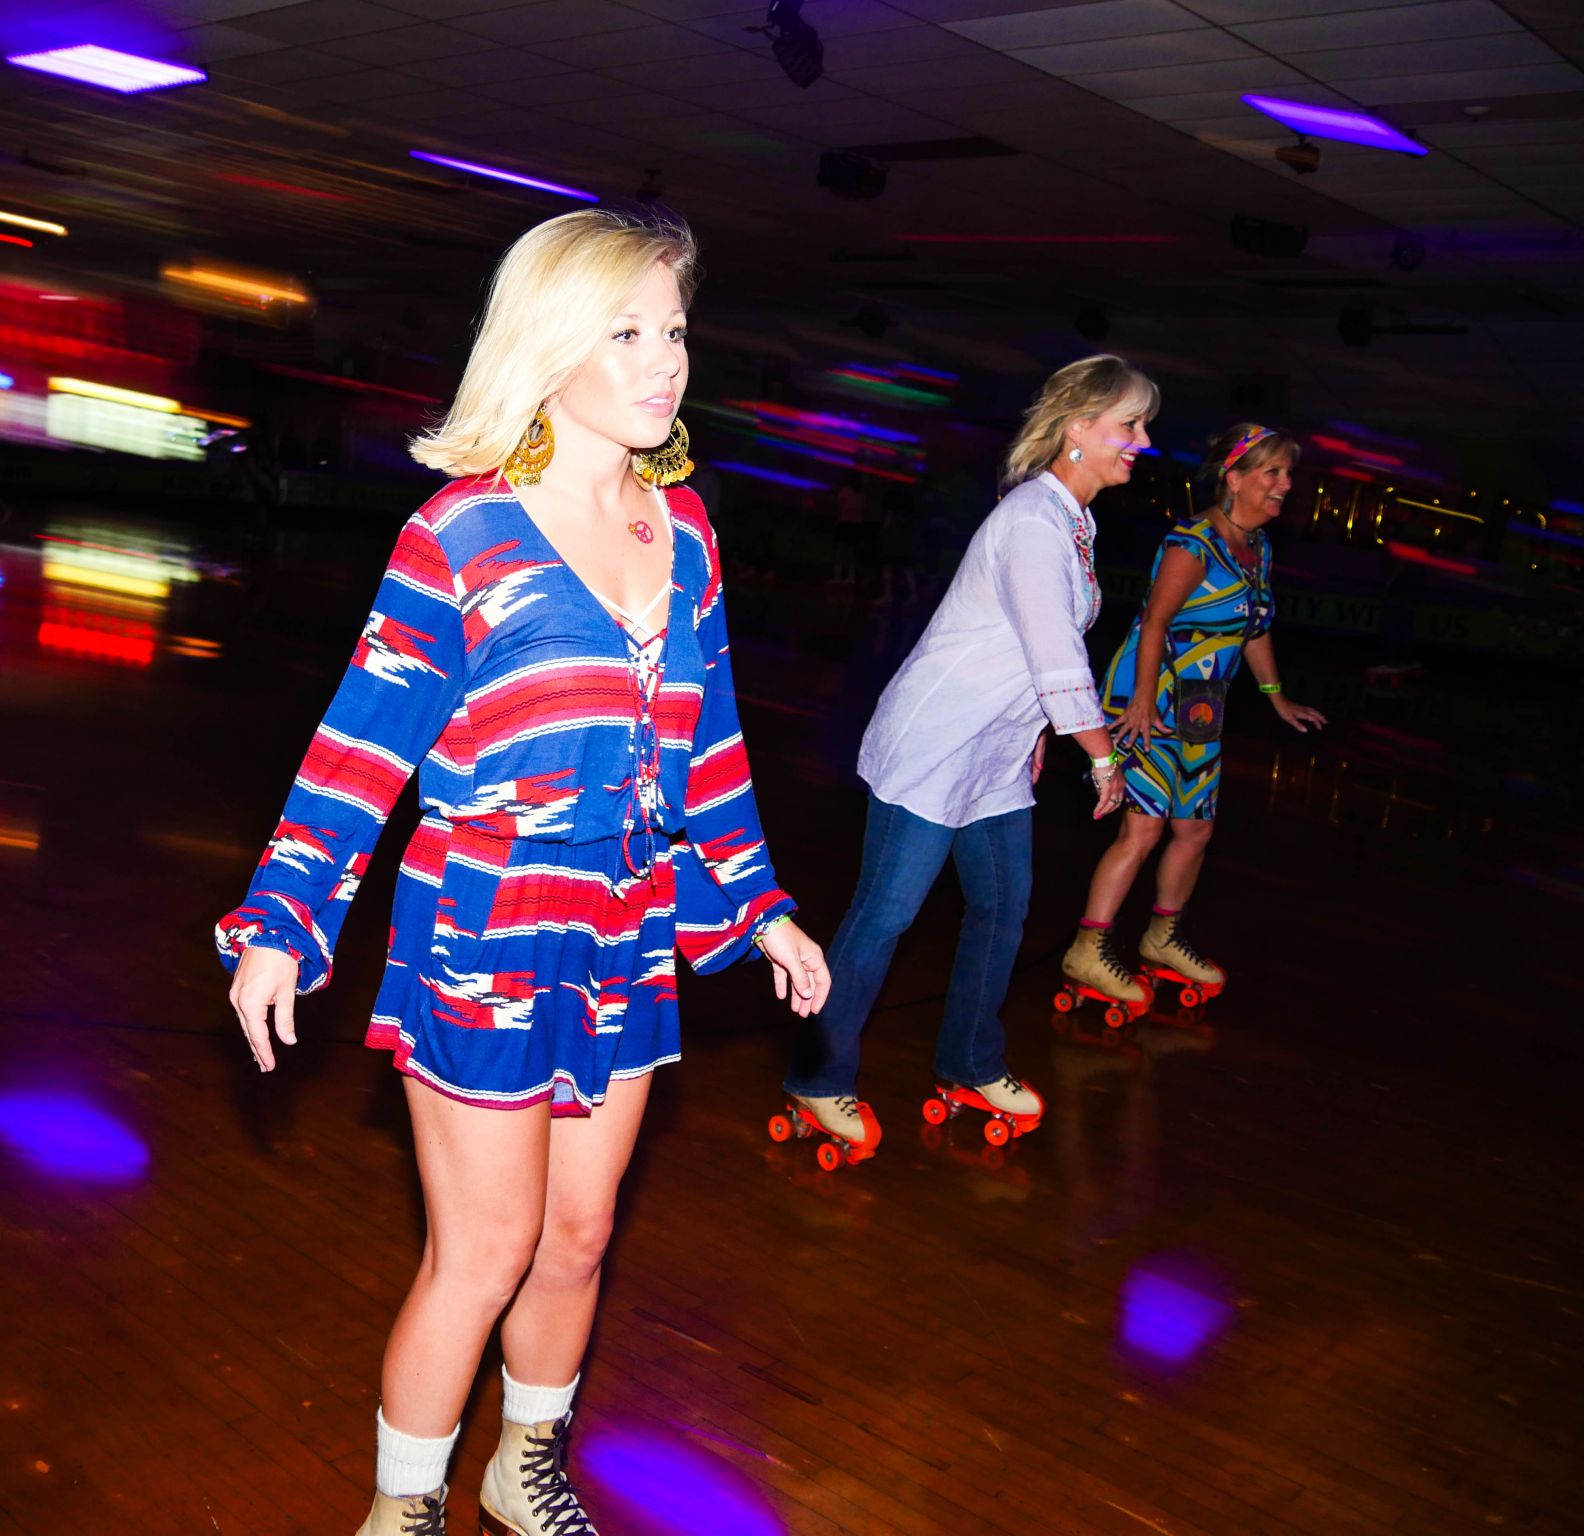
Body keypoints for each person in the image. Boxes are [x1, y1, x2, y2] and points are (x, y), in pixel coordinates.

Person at [218, 210, 829, 1536]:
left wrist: (763, 909)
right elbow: (358, 747)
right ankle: (404, 1508)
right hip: (484, 933)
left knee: (579, 1237)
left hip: (627, 930)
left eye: (672, 329)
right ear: (551, 347)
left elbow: (709, 748)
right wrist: (281, 920)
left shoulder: (688, 537)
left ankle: (524, 1461)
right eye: (626, 330)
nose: (664, 359)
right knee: (485, 1249)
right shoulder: (463, 535)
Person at [783, 355, 1153, 1149]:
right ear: (1079, 429)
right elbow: (1056, 655)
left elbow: (1022, 654)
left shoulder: (1071, 523)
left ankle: (970, 1062)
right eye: (1129, 424)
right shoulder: (1032, 522)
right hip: (934, 744)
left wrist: (1028, 736)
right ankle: (818, 1078)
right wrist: (1100, 755)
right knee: (884, 915)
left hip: (993, 756)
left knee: (1003, 907)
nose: (1142, 441)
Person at [1064, 423, 1326, 1002]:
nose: (1285, 484)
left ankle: (1162, 938)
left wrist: (1276, 697)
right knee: (1145, 827)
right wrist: (1137, 701)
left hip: (1201, 707)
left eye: (1288, 473)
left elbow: (1253, 627)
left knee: (1196, 827)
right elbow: (1154, 621)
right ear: (1234, 479)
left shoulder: (1256, 548)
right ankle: (1088, 949)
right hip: (1151, 700)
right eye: (1272, 472)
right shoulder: (1193, 544)